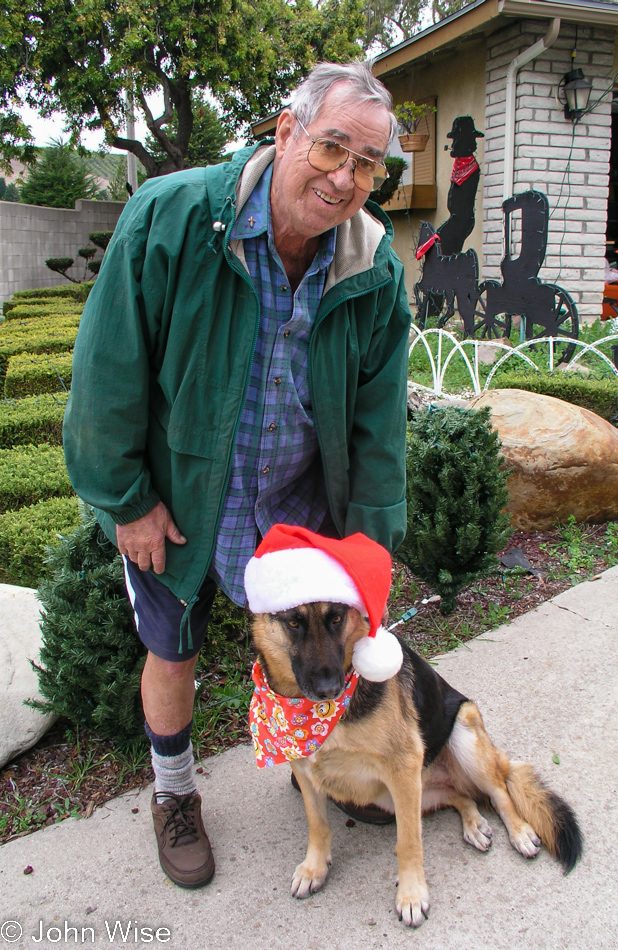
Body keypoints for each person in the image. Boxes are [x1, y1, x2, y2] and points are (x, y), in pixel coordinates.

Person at [63, 61, 411, 890]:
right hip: (180, 502)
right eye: (331, 147)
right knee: (171, 649)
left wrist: (365, 537)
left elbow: (377, 420)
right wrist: (128, 501)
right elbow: (108, 372)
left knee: (316, 650)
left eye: (367, 163)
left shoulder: (373, 270)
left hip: (297, 507)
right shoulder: (172, 218)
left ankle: (318, 770)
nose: (344, 177)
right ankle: (175, 794)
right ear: (284, 132)